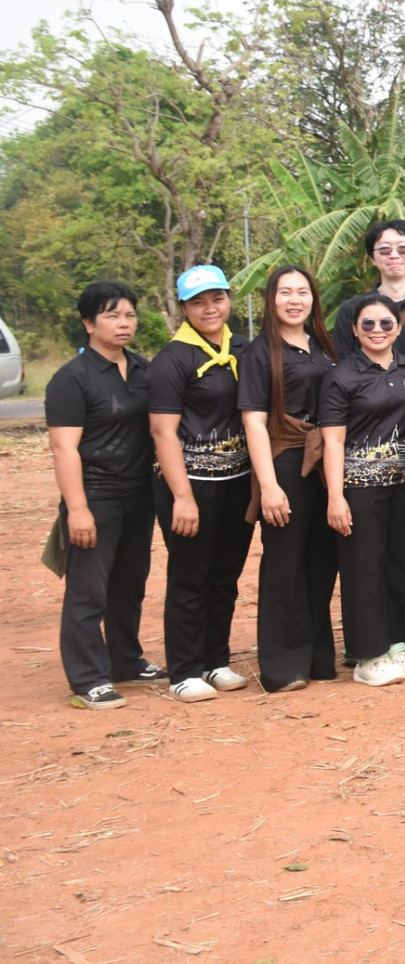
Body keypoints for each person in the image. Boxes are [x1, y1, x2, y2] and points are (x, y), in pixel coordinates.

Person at [47, 282, 160, 709]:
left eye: (129, 314)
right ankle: (87, 677)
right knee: (88, 590)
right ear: (89, 323)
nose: (123, 323)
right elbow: (63, 448)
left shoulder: (143, 369)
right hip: (95, 497)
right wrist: (77, 509)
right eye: (112, 315)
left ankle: (125, 661)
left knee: (129, 584)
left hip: (138, 496)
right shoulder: (72, 379)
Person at [147, 266, 254, 702]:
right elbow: (162, 432)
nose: (210, 309)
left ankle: (216, 659)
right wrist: (182, 497)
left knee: (226, 575)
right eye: (198, 302)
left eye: (217, 299)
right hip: (190, 485)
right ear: (184, 308)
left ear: (229, 300)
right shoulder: (173, 360)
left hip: (237, 482)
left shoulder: (243, 349)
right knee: (191, 576)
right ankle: (185, 669)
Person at [320, 292, 405, 687]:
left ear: (398, 328)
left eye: (386, 323)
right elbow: (332, 441)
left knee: (404, 562)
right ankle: (368, 652)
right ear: (355, 330)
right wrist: (336, 496)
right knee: (363, 565)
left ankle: (401, 642)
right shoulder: (341, 376)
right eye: (368, 324)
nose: (378, 330)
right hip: (360, 488)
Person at [238, 265, 339, 693]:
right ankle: (282, 666)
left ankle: (316, 656)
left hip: (324, 465)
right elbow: (254, 423)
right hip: (284, 463)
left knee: (322, 561)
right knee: (285, 563)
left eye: (303, 292)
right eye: (285, 292)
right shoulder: (261, 352)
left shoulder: (323, 347)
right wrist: (269, 486)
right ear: (271, 300)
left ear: (313, 298)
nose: (294, 300)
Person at [333, 219, 405, 378]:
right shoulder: (351, 309)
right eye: (385, 250)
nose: (394, 255)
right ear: (372, 258)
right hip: (364, 400)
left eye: (403, 249)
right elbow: (343, 366)